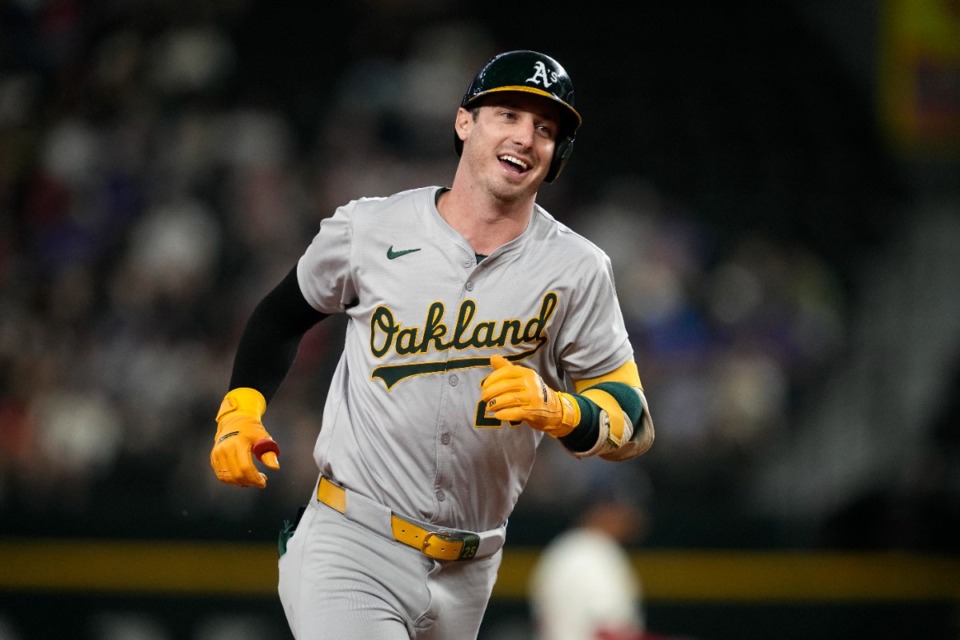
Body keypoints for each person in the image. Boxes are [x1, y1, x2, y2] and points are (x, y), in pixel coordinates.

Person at [208, 49, 656, 640]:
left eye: (545, 129)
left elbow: (636, 421)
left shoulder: (578, 270)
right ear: (464, 121)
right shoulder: (370, 230)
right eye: (508, 115)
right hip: (353, 540)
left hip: (471, 568)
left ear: (557, 155)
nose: (526, 137)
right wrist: (241, 406)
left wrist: (563, 409)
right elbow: (280, 315)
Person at [528, 459, 651, 640]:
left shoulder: (564, 550)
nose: (634, 518)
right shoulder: (594, 555)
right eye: (627, 509)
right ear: (604, 509)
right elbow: (610, 633)